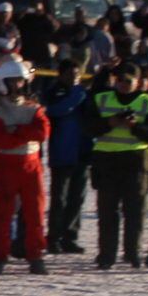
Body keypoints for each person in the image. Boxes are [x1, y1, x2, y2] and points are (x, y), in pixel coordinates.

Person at [89, 61, 148, 270]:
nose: (123, 84)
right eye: (119, 80)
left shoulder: (147, 102)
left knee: (135, 212)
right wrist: (108, 123)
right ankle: (106, 255)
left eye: (128, 81)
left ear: (138, 82)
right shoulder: (102, 99)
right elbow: (87, 127)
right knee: (106, 212)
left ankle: (133, 254)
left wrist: (135, 127)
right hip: (106, 161)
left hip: (136, 161)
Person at [0, 59, 50, 274]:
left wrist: (15, 131)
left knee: (36, 214)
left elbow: (42, 133)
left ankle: (36, 256)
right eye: (11, 81)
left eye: (19, 81)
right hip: (7, 165)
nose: (15, 86)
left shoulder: (34, 108)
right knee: (2, 214)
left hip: (31, 164)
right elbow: (0, 140)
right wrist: (25, 132)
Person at [40, 58, 92, 254]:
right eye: (70, 74)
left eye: (77, 75)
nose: (74, 78)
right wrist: (77, 94)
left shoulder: (83, 94)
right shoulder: (53, 93)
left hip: (82, 151)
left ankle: (70, 236)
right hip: (62, 153)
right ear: (60, 74)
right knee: (59, 199)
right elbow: (55, 111)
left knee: (77, 198)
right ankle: (53, 237)